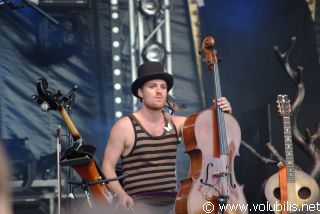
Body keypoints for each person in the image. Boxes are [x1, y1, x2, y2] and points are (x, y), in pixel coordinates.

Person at [102, 61, 232, 213]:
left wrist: (222, 116)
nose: (159, 91)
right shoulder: (124, 126)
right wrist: (121, 194)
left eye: (163, 87)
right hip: (139, 203)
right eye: (152, 86)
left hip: (173, 202)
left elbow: (211, 137)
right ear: (140, 92)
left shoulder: (177, 123)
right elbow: (107, 167)